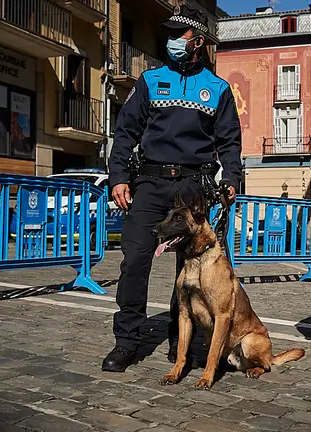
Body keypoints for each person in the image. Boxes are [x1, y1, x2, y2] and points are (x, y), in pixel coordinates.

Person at [102, 5, 243, 372]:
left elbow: (229, 143)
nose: (171, 40)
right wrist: (119, 177)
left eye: (179, 35)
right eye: (169, 34)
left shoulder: (218, 89)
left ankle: (179, 339)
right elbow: (125, 132)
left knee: (190, 268)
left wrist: (231, 178)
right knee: (135, 260)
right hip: (149, 184)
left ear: (198, 41)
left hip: (194, 188)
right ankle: (126, 341)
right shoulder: (150, 81)